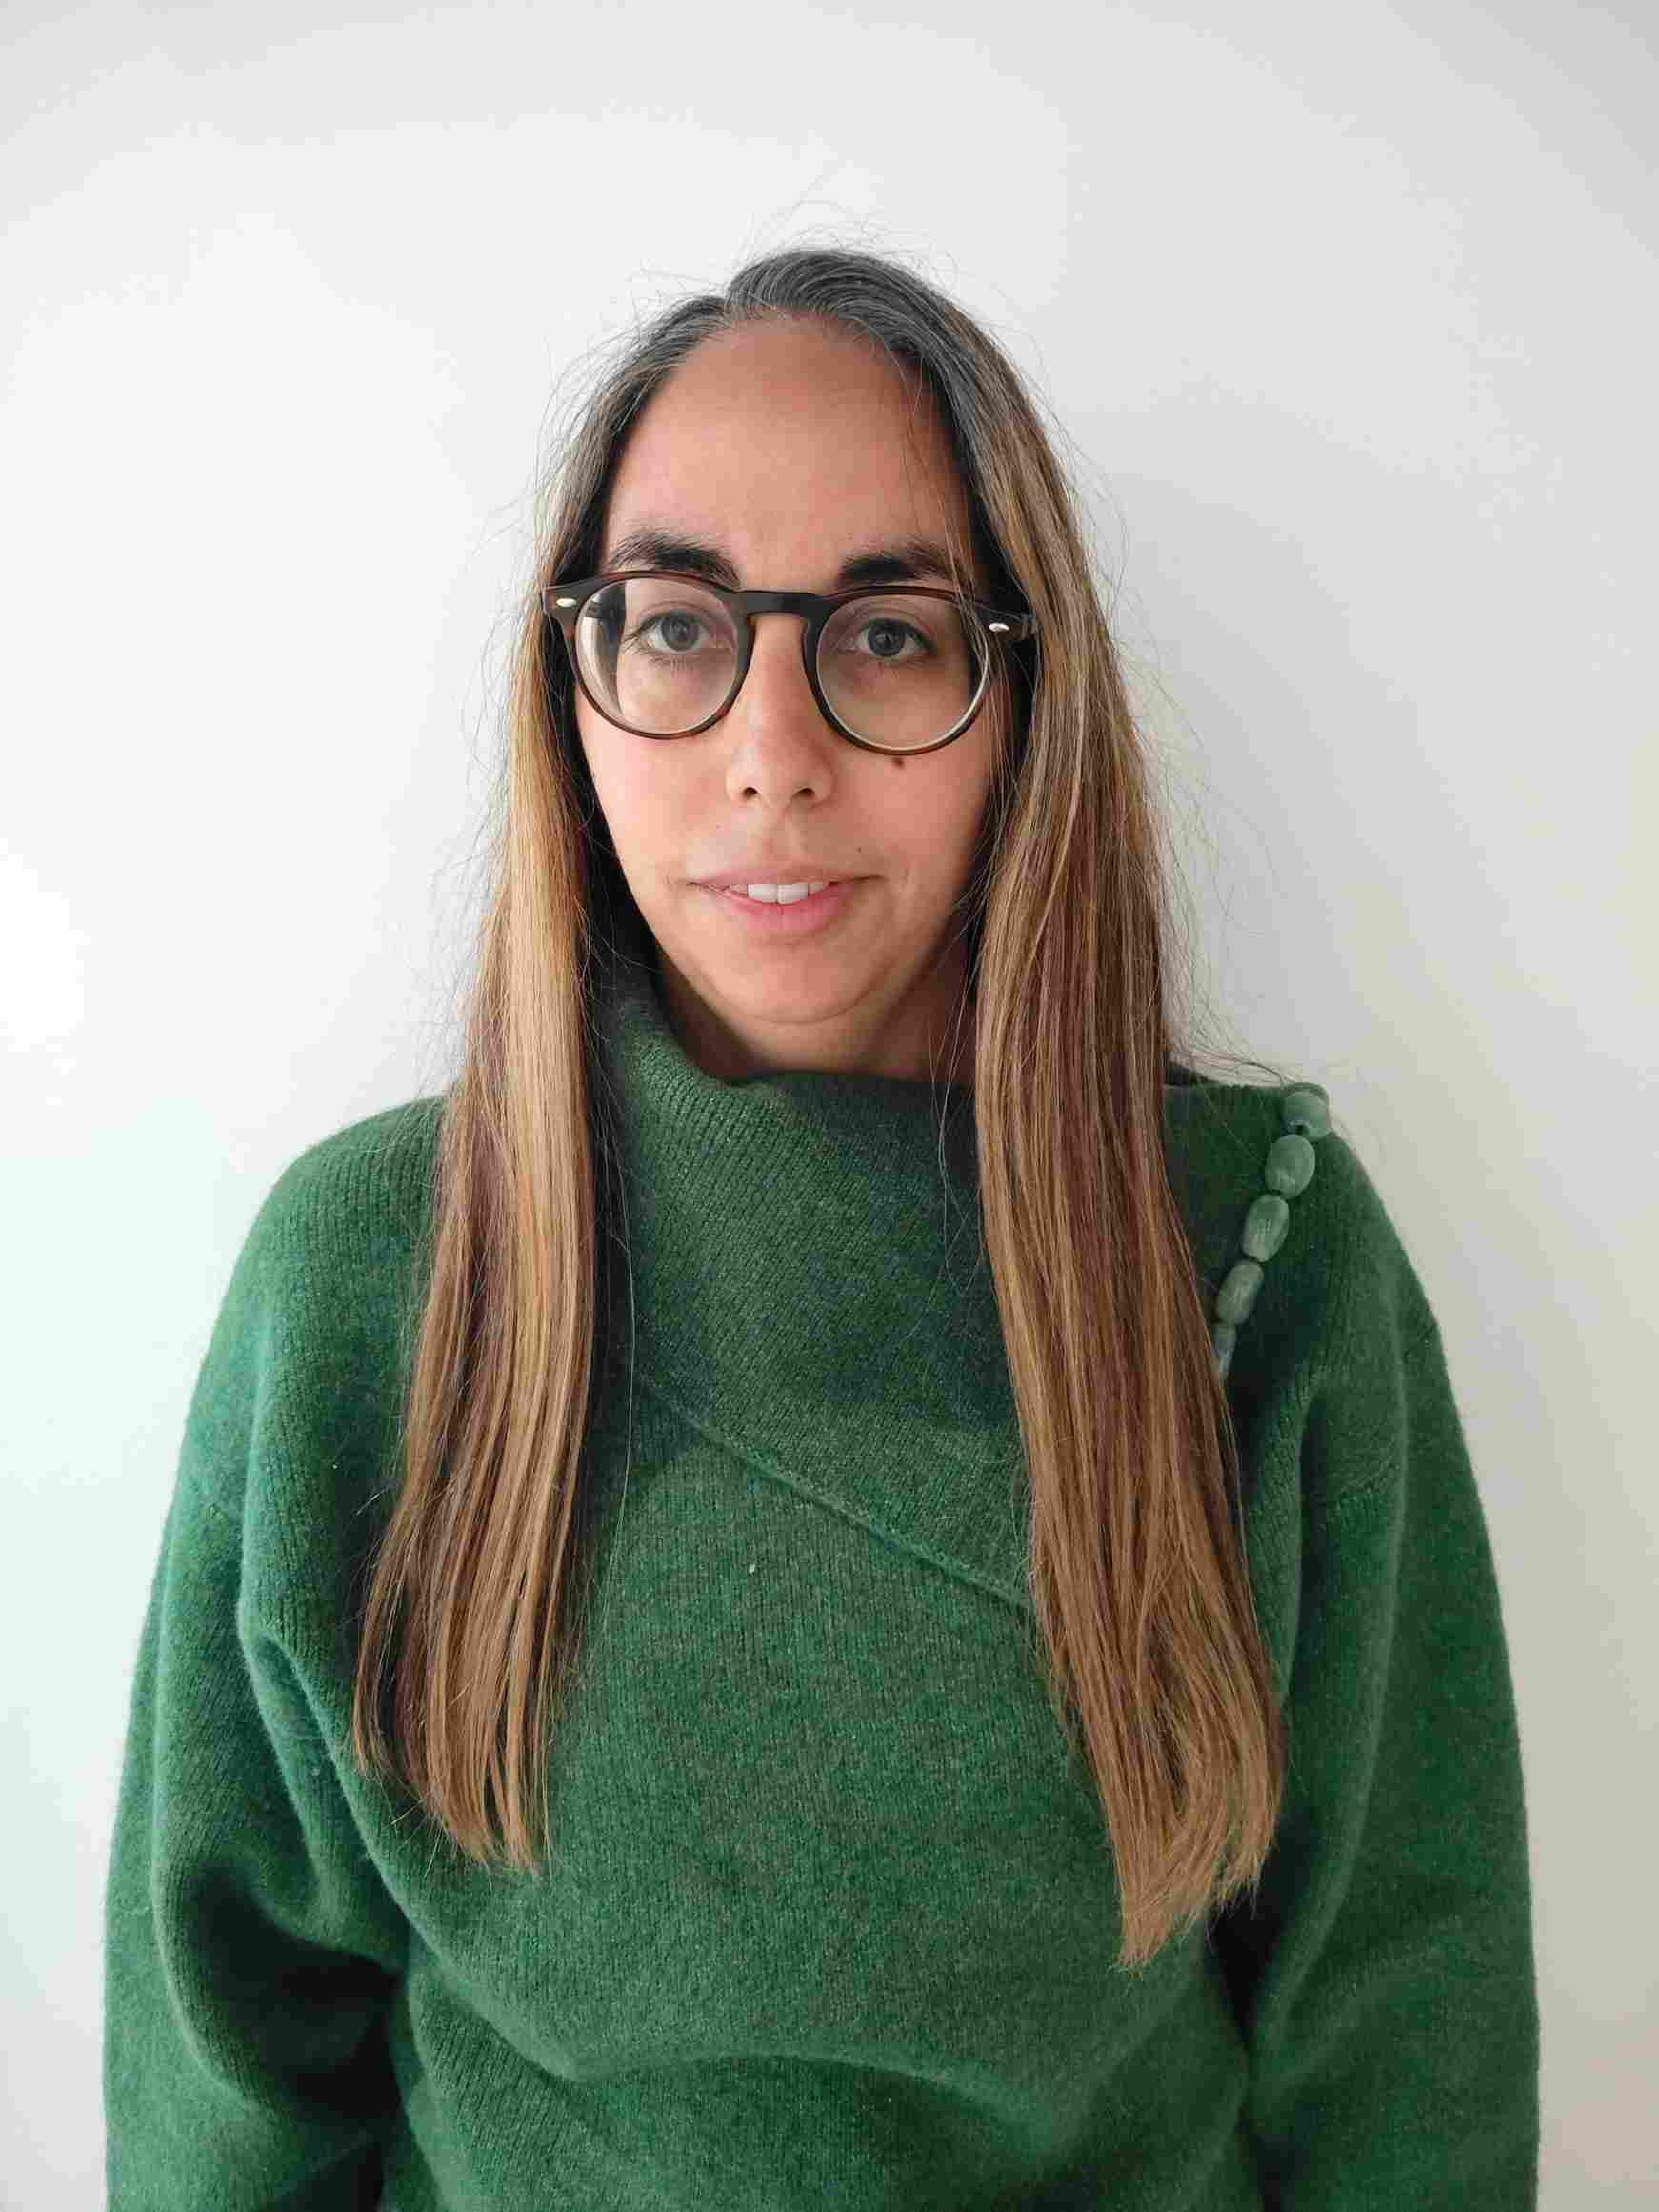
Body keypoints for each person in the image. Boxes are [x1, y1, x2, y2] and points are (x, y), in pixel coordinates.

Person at [103, 246, 1541, 2209]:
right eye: (675, 625)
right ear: (571, 688)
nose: (771, 748)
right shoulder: (369, 1277)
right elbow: (226, 2076)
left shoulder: (1255, 1259)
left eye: (883, 634)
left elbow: (1403, 2032)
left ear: (1019, 696)